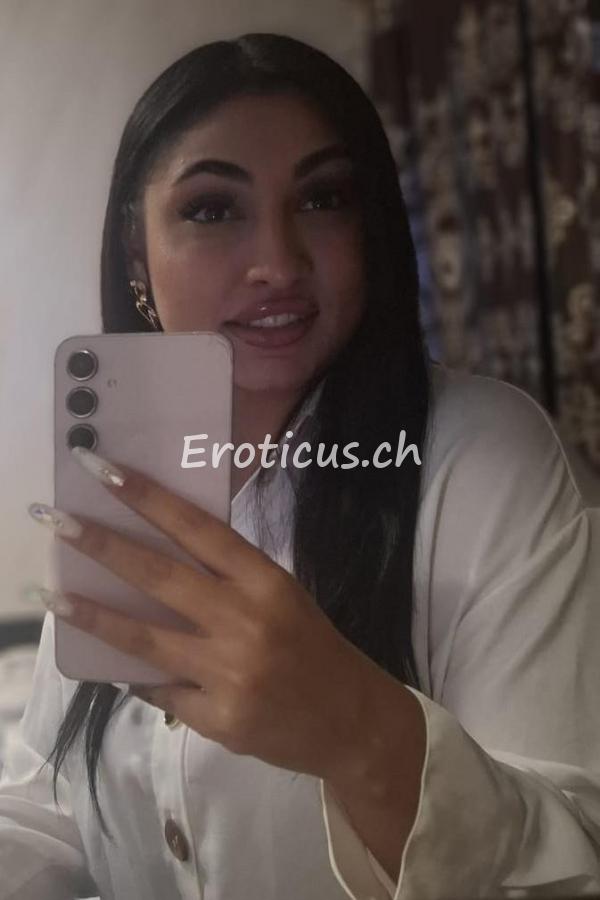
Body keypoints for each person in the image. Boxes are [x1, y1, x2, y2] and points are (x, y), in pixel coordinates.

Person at [1, 32, 600, 900]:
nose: (279, 264)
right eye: (213, 209)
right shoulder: (123, 481)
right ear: (136, 254)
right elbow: (52, 805)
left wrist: (358, 731)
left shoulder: (487, 460)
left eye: (324, 198)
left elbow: (575, 862)